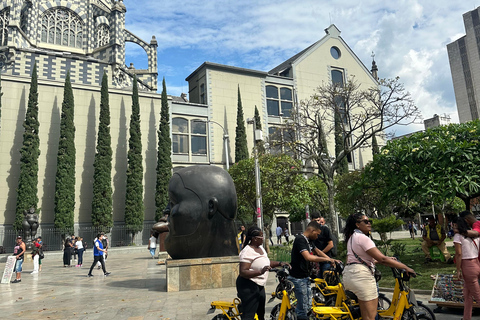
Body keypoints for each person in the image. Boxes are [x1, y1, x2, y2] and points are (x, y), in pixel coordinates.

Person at [343, 213, 415, 320]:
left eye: (370, 221)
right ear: (357, 225)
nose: (369, 224)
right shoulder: (363, 238)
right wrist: (406, 267)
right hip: (362, 278)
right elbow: (382, 259)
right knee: (370, 317)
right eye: (366, 222)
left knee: (364, 316)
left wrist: (388, 259)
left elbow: (364, 259)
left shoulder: (352, 238)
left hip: (349, 276)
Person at [236, 226, 289, 320]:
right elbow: (243, 272)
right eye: (261, 237)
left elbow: (267, 262)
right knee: (249, 315)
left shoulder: (260, 248)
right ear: (254, 239)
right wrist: (260, 271)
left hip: (259, 285)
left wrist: (279, 263)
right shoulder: (247, 251)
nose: (263, 238)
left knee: (261, 313)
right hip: (248, 285)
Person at [288, 221, 338, 320]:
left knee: (307, 305)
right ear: (312, 230)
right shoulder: (300, 240)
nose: (317, 237)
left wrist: (332, 259)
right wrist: (327, 259)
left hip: (305, 277)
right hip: (298, 278)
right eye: (317, 234)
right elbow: (308, 257)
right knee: (302, 307)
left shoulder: (308, 240)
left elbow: (317, 251)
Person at [453, 215, 480, 320]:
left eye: (454, 225)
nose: (453, 228)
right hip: (476, 264)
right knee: (467, 295)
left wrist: (458, 270)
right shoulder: (475, 235)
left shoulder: (457, 237)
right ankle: (466, 317)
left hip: (467, 266)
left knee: (478, 296)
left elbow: (458, 254)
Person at [312, 214, 335, 278]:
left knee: (326, 280)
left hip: (326, 260)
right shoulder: (311, 231)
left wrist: (321, 254)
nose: (317, 222)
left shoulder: (325, 229)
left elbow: (330, 245)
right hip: (316, 261)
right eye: (315, 221)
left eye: (319, 221)